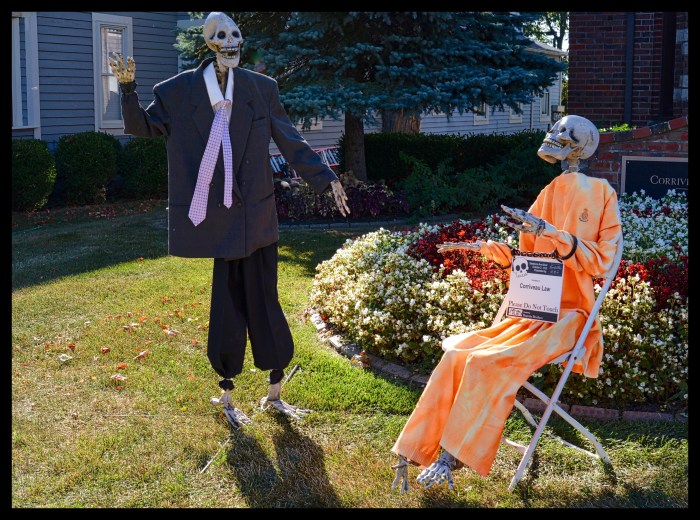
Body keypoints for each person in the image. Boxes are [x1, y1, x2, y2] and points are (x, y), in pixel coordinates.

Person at [109, 12, 350, 427]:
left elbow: (289, 139)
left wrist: (325, 178)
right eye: (221, 35)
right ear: (209, 44)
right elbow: (143, 128)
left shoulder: (261, 88)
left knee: (266, 300)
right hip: (219, 219)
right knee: (227, 306)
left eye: (236, 34)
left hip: (256, 214)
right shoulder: (178, 91)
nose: (231, 41)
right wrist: (127, 90)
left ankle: (275, 392)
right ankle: (227, 395)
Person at [390, 115, 623, 491]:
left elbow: (602, 263)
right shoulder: (549, 191)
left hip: (571, 317)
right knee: (458, 353)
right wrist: (484, 248)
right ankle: (415, 449)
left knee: (486, 362)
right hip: (532, 310)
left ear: (581, 146)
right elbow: (529, 259)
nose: (554, 136)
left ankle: (451, 457)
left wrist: (553, 233)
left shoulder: (601, 193)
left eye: (564, 132)